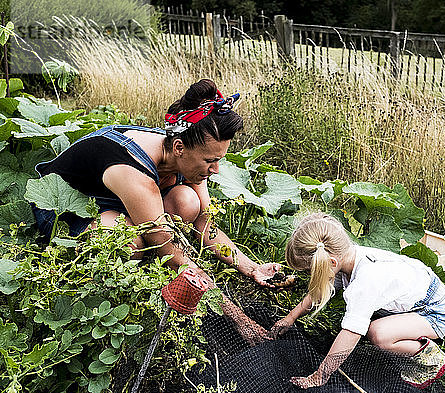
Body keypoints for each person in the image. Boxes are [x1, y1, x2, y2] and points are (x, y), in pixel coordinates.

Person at [33, 79, 280, 288]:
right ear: (179, 148)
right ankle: (99, 268)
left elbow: (204, 222)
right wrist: (210, 290)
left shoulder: (186, 150)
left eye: (218, 161)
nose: (215, 170)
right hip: (64, 208)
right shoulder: (134, 167)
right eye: (209, 161)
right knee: (127, 243)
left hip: (121, 203)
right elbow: (164, 242)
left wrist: (251, 268)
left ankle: (140, 234)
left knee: (187, 202)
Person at [270, 213, 445, 389]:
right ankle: (405, 329)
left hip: (436, 312)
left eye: (310, 272)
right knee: (370, 324)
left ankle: (430, 357)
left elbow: (352, 332)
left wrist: (319, 376)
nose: (309, 277)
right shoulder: (348, 257)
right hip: (420, 296)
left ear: (331, 263)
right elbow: (320, 292)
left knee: (377, 334)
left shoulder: (366, 280)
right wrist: (291, 317)